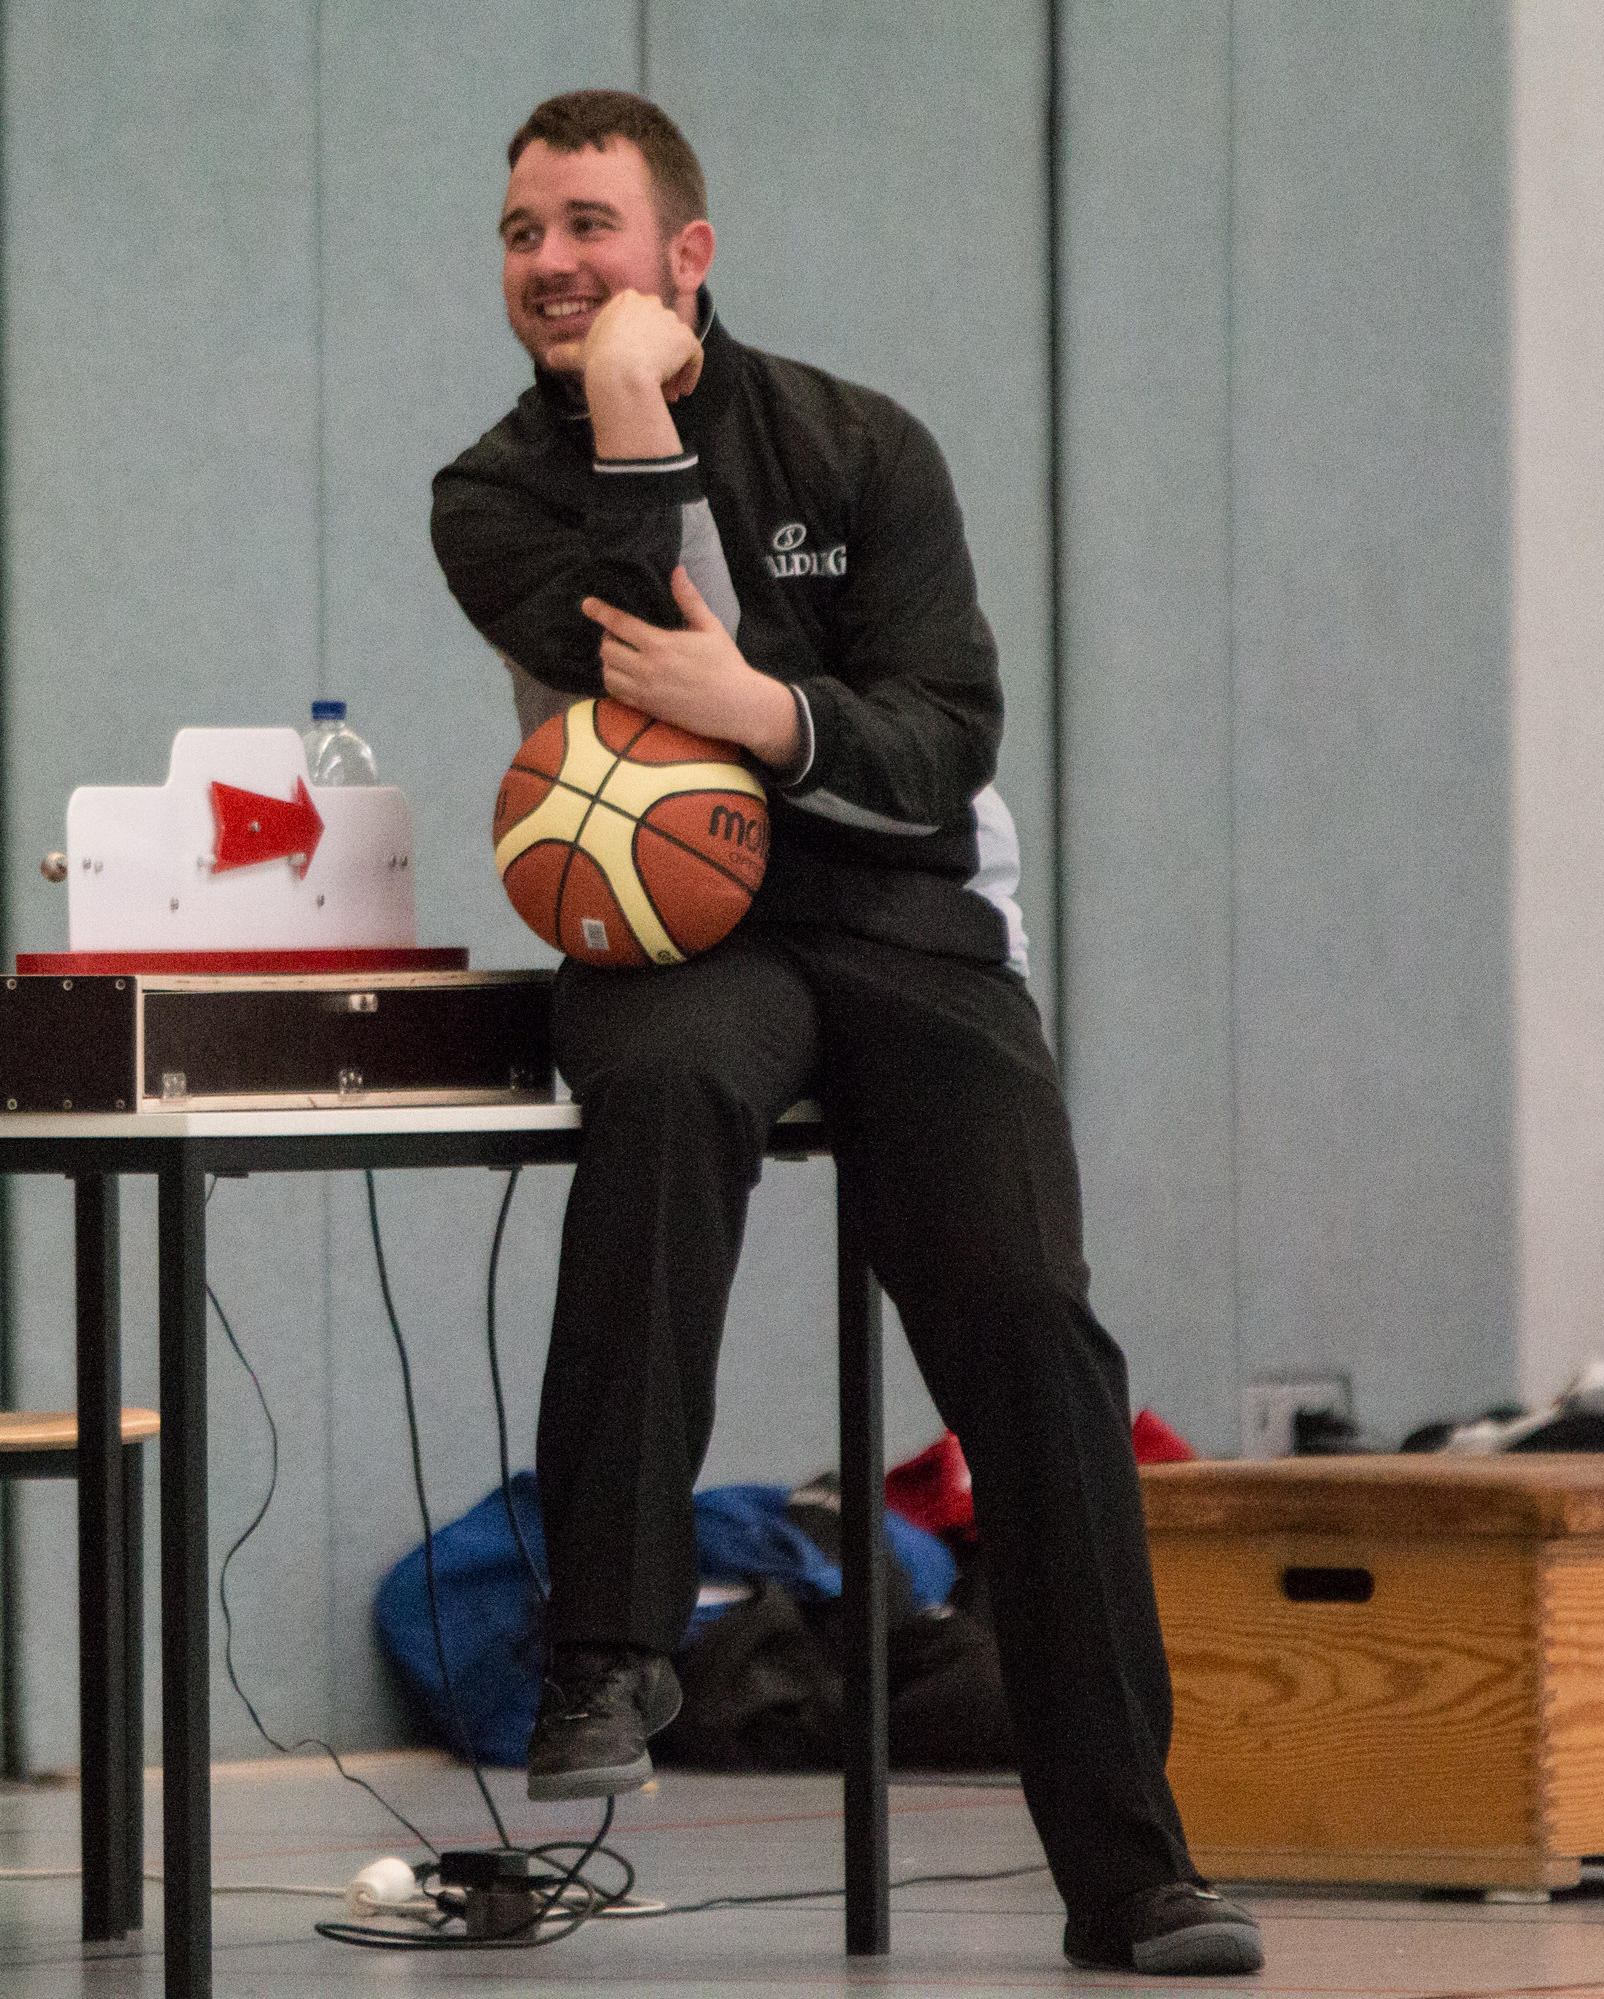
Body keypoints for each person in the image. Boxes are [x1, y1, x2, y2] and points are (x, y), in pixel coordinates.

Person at [429, 91, 1263, 1978]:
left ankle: (1133, 1870)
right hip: (685, 927)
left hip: (903, 916)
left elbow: (943, 736)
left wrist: (769, 711)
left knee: (1032, 1325)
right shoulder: (488, 495)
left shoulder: (865, 445)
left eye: (587, 225)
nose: (550, 262)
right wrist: (632, 424)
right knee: (658, 1100)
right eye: (520, 233)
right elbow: (644, 658)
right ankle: (608, 1650)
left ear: (687, 252)